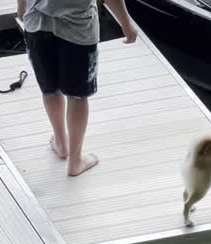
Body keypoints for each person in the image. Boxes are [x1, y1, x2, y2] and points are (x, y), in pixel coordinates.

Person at [17, 0, 137, 176]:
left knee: (49, 89)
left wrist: (21, 8)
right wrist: (126, 23)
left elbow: (22, 10)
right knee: (77, 96)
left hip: (37, 23)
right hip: (77, 28)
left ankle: (61, 143)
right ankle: (75, 161)